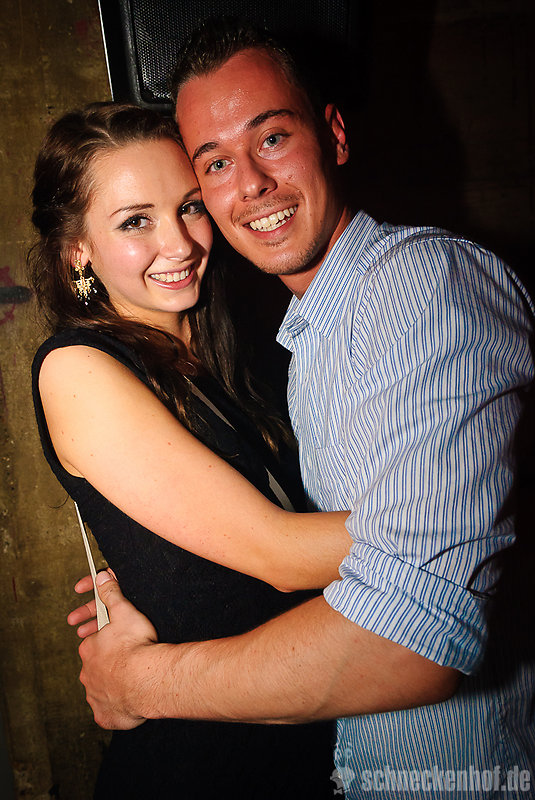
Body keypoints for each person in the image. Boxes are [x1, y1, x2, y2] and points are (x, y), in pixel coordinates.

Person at [70, 20, 535, 799]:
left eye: (272, 139)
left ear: (334, 136)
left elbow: (407, 638)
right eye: (216, 163)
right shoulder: (305, 334)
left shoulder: (417, 288)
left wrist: (140, 682)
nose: (250, 183)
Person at [29, 101, 354, 798]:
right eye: (135, 221)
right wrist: (475, 520)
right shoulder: (77, 368)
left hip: (312, 737)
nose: (179, 244)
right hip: (205, 763)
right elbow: (282, 555)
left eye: (189, 207)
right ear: (77, 249)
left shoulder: (236, 351)